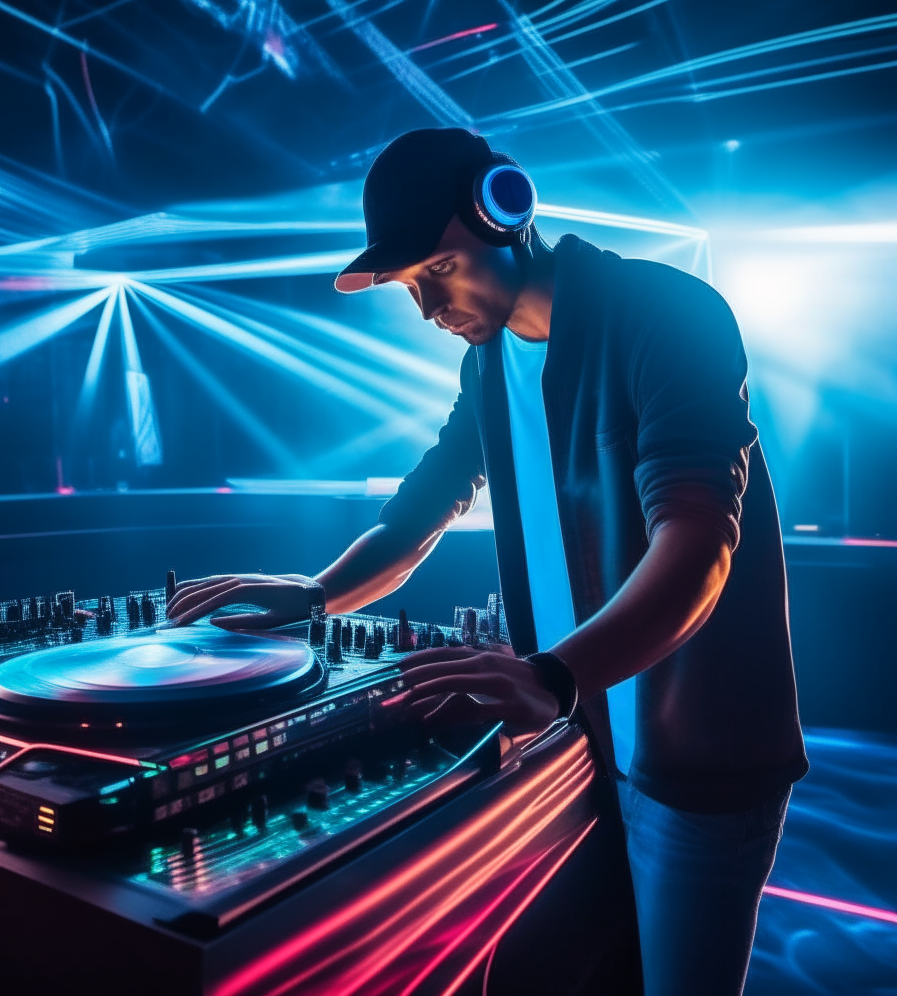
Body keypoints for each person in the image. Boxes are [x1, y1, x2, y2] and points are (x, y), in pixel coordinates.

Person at [166, 128, 808, 995]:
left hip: (694, 766)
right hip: (576, 738)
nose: (428, 309)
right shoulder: (487, 364)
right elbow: (419, 514)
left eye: (438, 271)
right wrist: (316, 594)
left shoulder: (670, 314)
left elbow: (698, 545)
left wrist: (554, 676)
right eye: (409, 287)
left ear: (506, 210)